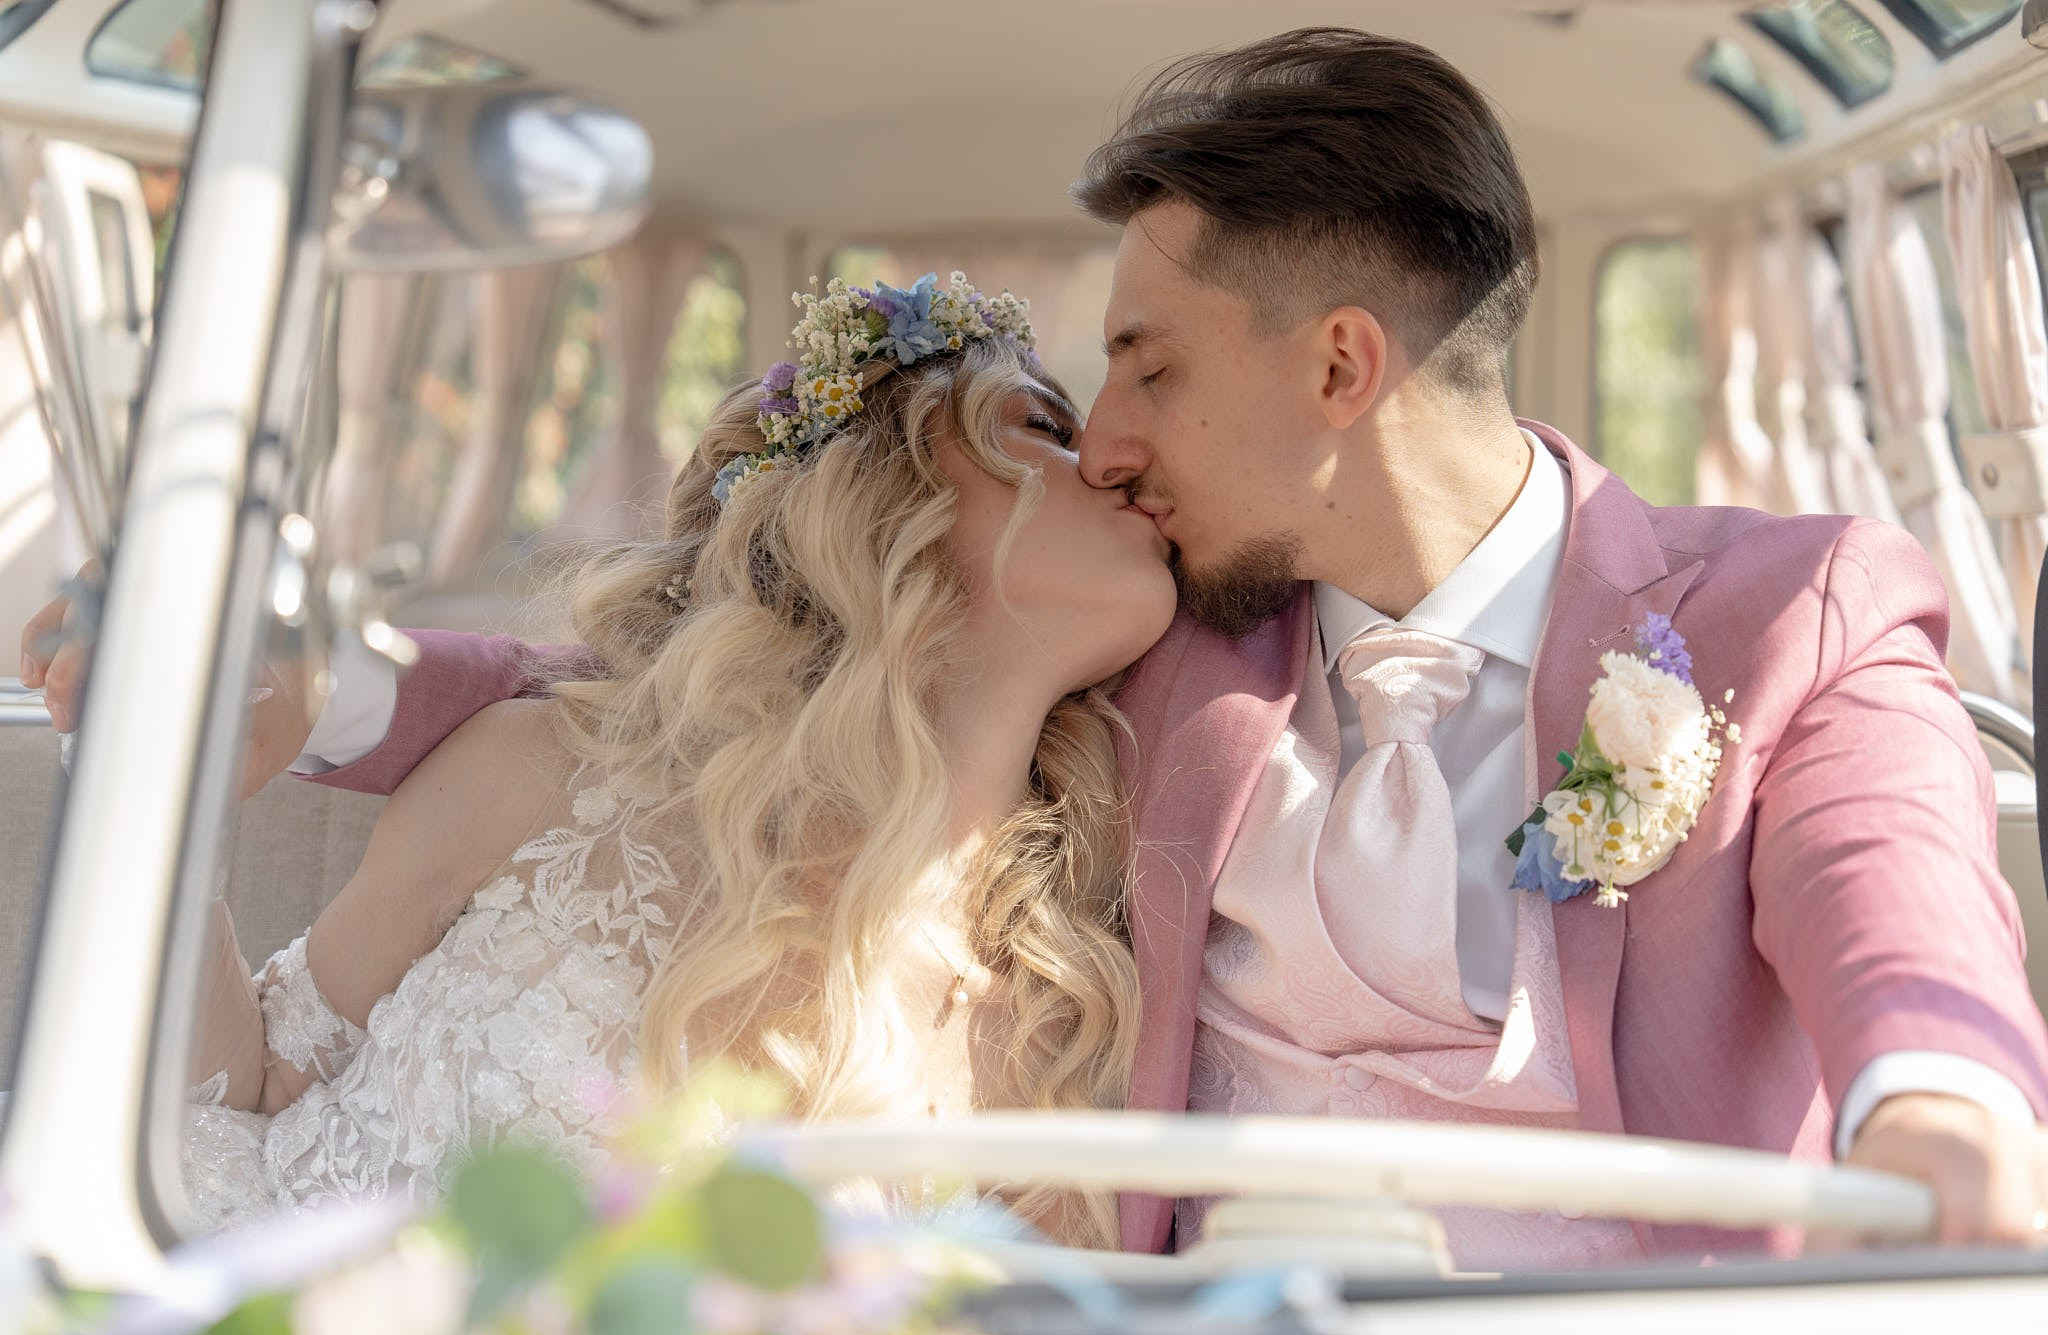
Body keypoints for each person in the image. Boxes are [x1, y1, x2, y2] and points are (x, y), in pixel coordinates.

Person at [25, 29, 2048, 1268]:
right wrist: (314, 684)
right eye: (1073, 412)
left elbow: (1909, 932)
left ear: (1339, 365)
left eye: (1145, 366)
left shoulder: (1790, 615)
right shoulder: (1171, 663)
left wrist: (1939, 1121)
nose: (1118, 442)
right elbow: (672, 685)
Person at [160, 274, 1176, 1245]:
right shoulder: (548, 772)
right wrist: (172, 784)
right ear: (886, 495)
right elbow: (246, 1099)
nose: (1117, 462)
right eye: (1046, 428)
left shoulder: (1069, 1009)